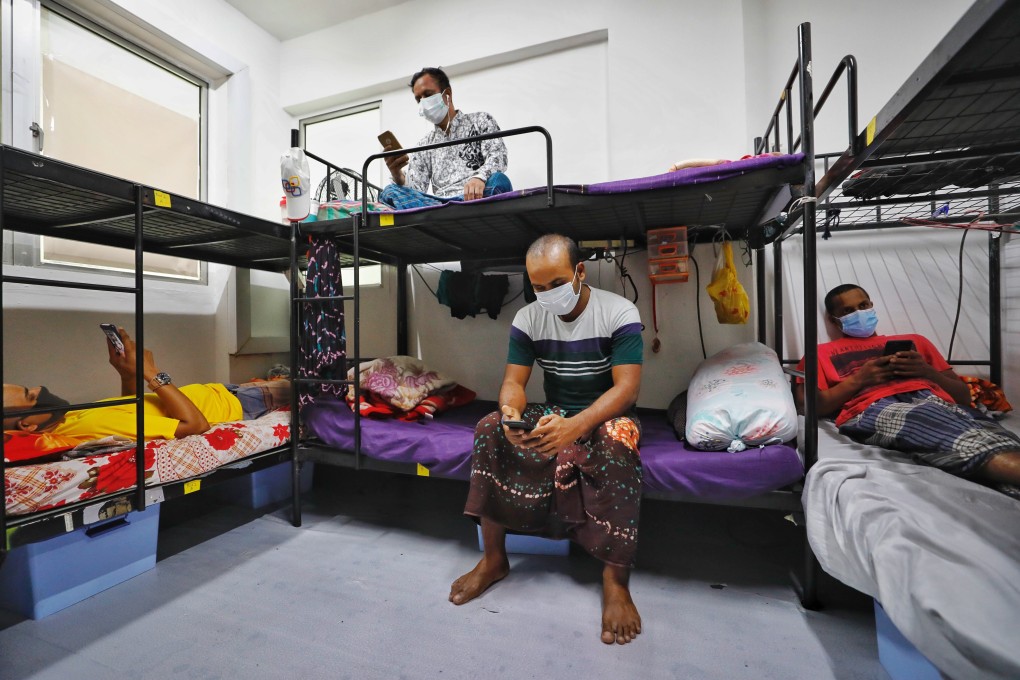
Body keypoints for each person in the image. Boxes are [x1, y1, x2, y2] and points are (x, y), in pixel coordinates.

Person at [448, 234, 645, 645]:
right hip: (557, 408)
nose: (547, 294)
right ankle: (494, 559)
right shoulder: (528, 318)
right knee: (488, 428)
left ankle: (614, 580)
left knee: (617, 442)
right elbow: (513, 383)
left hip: (607, 413)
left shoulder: (618, 312)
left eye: (556, 283)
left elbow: (627, 390)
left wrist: (578, 425)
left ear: (580, 271)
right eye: (538, 287)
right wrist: (510, 412)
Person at [795, 283, 1020, 492]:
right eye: (848, 311)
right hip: (875, 407)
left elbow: (963, 397)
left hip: (939, 402)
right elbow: (808, 407)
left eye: (863, 306)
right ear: (834, 320)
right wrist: (860, 380)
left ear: (871, 305)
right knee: (928, 419)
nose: (859, 313)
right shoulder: (819, 354)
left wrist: (927, 372)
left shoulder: (916, 341)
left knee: (993, 434)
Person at [3, 327, 287, 441]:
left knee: (292, 379)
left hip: (221, 392)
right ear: (27, 425)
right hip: (236, 404)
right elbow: (196, 426)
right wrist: (150, 372)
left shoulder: (70, 419)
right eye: (30, 396)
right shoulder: (85, 427)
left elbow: (131, 410)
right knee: (310, 383)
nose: (38, 389)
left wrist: (126, 373)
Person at [379, 66, 511, 209]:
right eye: (419, 99)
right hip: (440, 205)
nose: (423, 103)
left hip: (477, 195)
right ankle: (448, 208)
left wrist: (480, 177)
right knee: (389, 192)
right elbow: (416, 190)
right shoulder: (424, 145)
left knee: (499, 180)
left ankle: (454, 206)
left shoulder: (481, 120)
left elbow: (498, 156)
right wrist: (398, 175)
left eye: (428, 95)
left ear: (447, 94)